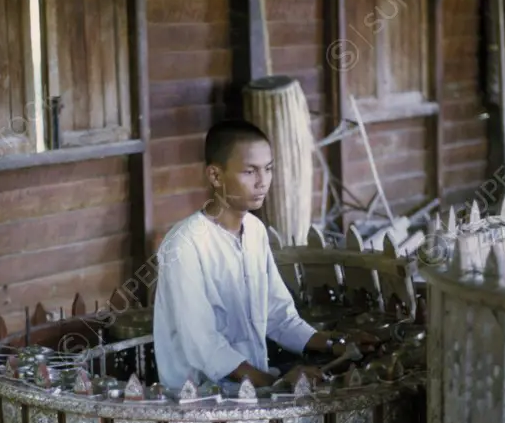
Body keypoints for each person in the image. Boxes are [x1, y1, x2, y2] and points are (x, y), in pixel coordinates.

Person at [152, 119, 378, 389]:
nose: (262, 182)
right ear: (215, 176)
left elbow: (279, 316)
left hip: (253, 389)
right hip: (200, 401)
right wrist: (277, 382)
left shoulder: (255, 231)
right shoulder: (183, 245)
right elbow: (204, 346)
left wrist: (337, 344)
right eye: (249, 172)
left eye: (268, 169)